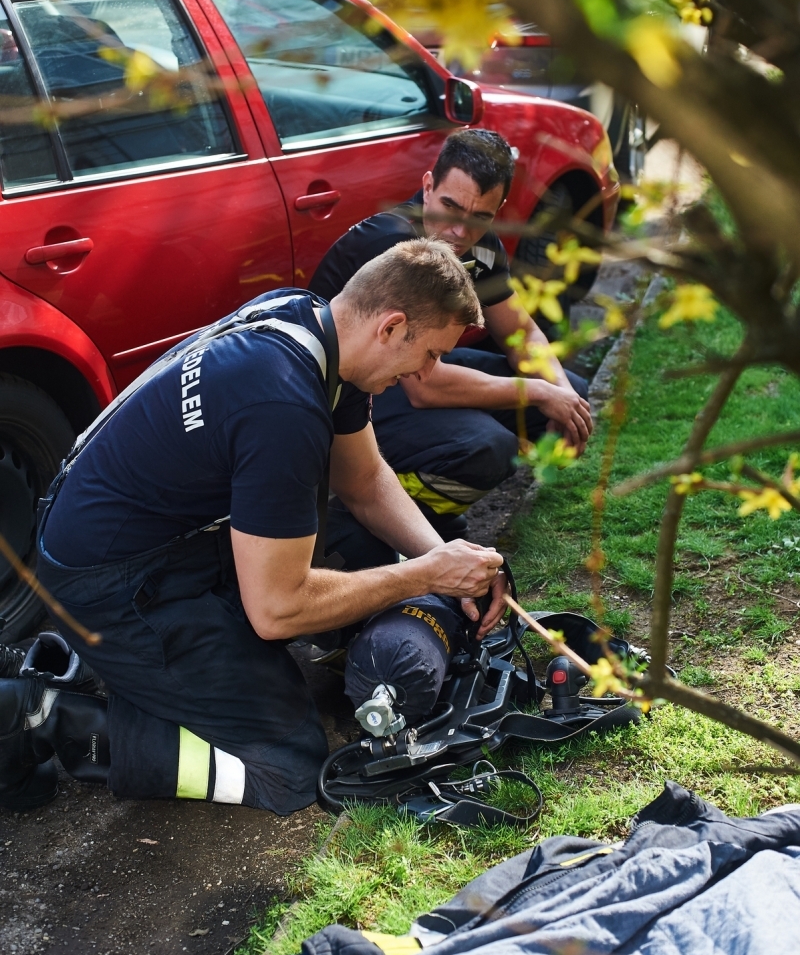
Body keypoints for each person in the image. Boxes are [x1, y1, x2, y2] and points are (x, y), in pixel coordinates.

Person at [0, 240, 508, 814]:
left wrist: (450, 562)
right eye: (433, 353)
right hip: (110, 578)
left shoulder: (312, 325)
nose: (428, 372)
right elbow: (277, 610)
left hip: (128, 535)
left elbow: (364, 481)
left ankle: (96, 663)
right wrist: (423, 577)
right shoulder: (283, 405)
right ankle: (41, 713)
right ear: (391, 327)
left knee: (321, 578)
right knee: (288, 771)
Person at [309, 129, 593, 540]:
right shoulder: (398, 246)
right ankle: (381, 521)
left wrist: (561, 394)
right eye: (450, 207)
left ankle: (431, 493)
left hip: (412, 372)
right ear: (427, 187)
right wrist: (541, 393)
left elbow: (520, 330)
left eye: (480, 217)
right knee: (486, 448)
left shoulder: (482, 244)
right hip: (347, 395)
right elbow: (427, 388)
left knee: (570, 389)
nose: (460, 232)